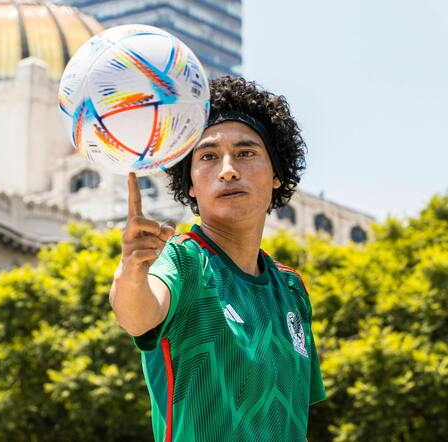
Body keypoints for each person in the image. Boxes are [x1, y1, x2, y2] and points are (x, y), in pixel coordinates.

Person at [109, 76, 326, 442]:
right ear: (190, 183)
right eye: (208, 156)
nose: (228, 169)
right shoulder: (182, 261)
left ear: (276, 174)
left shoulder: (292, 288)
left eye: (246, 153)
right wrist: (131, 270)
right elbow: (138, 315)